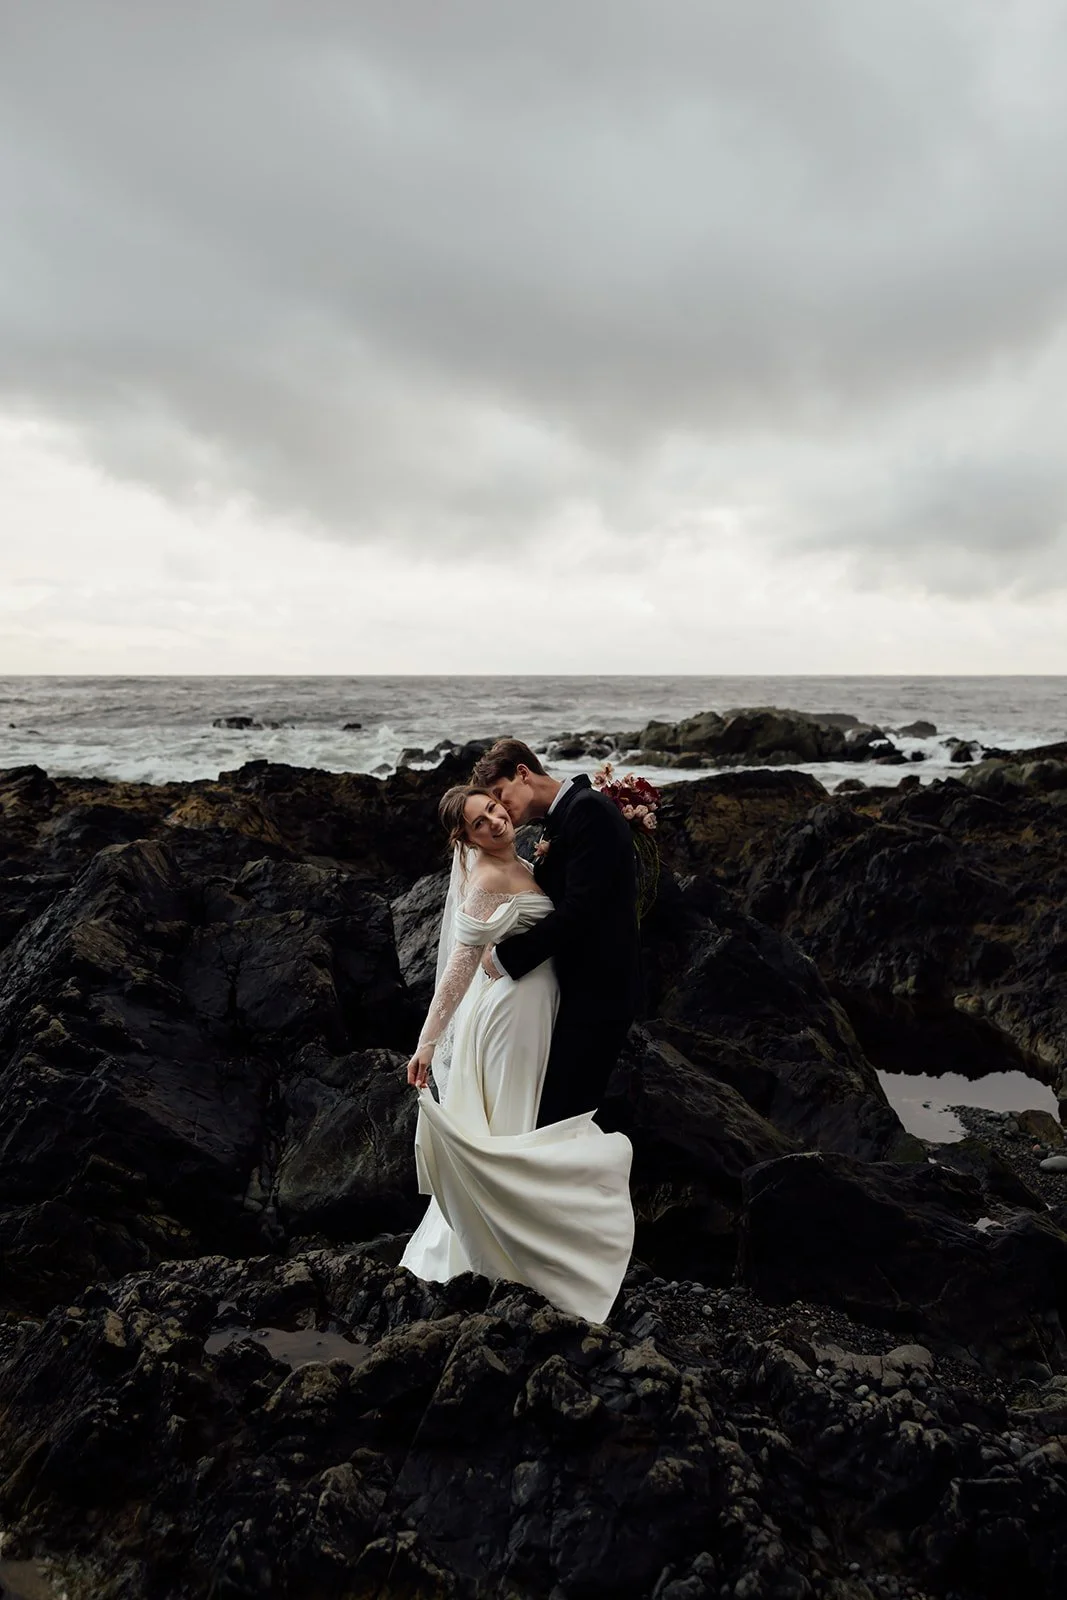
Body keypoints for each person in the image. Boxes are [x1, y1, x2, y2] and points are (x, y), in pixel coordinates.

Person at [399, 784, 633, 1323]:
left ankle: (529, 1247)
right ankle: (511, 1259)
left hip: (533, 1007)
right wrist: (428, 1041)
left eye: (494, 809)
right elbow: (460, 967)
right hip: (510, 1016)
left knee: (524, 1123)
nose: (497, 821)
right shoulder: (484, 879)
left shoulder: (524, 860)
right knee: (514, 1125)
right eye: (481, 823)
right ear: (465, 838)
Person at [471, 738, 641, 1126]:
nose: (500, 809)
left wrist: (504, 957)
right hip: (577, 991)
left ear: (523, 773)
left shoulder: (589, 812)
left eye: (499, 794)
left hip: (600, 993)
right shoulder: (566, 817)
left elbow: (580, 912)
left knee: (561, 1119)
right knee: (556, 1116)